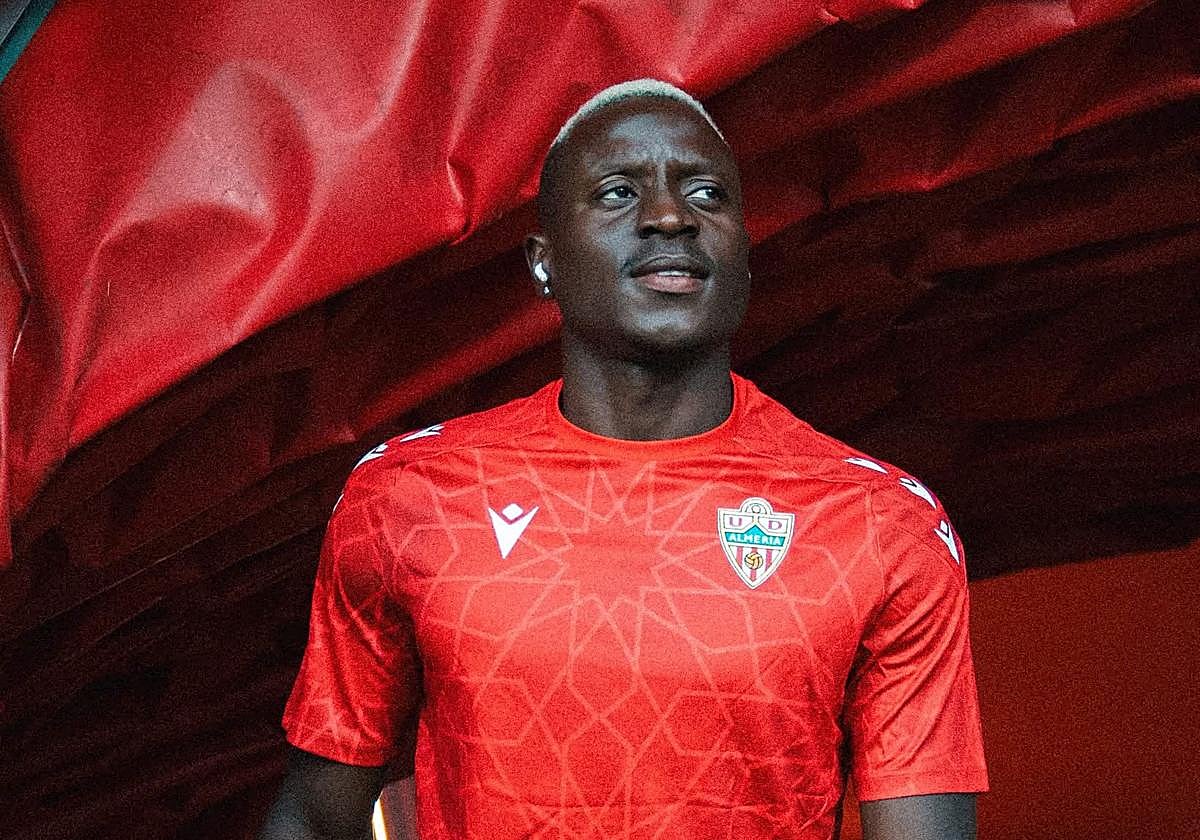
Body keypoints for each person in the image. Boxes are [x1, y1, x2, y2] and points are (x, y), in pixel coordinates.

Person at [259, 79, 988, 840]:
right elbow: (315, 818)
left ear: (744, 255)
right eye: (617, 193)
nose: (671, 216)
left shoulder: (880, 522)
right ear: (544, 264)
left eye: (706, 194)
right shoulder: (409, 493)